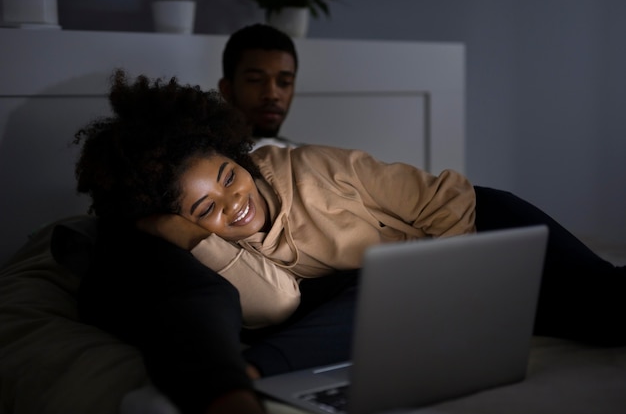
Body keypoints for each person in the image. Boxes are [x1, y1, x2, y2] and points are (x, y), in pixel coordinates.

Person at [72, 70, 625, 414]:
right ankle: (235, 384)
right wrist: (178, 231)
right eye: (204, 209)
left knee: (606, 309)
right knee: (368, 299)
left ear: (233, 154)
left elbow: (440, 197)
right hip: (400, 293)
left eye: (227, 177)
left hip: (483, 227)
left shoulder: (310, 167)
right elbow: (273, 302)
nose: (232, 202)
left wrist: (461, 280)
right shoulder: (209, 247)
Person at [218, 23, 301, 149]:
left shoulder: (307, 159)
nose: (272, 94)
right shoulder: (203, 157)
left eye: (285, 82)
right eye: (255, 80)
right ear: (227, 89)